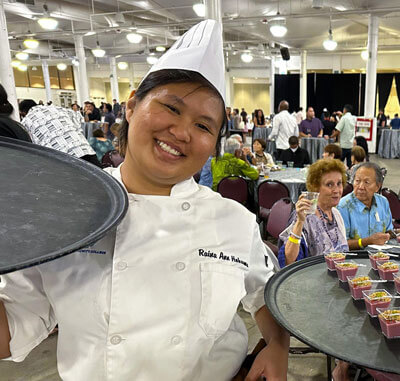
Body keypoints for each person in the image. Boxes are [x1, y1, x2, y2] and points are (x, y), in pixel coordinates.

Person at [0, 20, 289, 380]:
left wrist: (277, 345)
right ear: (132, 106)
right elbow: (14, 324)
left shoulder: (233, 220)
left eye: (203, 126)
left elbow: (265, 292)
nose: (182, 132)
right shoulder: (66, 209)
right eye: (170, 108)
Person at [277, 158, 348, 267]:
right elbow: (289, 261)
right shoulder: (305, 215)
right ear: (316, 187)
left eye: (339, 183)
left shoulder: (336, 214)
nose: (336, 190)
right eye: (329, 184)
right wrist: (300, 222)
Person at [20, 102, 101, 167]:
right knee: (103, 183)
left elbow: (32, 145)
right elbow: (78, 123)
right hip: (83, 149)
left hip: (61, 158)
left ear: (23, 112)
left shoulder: (26, 121)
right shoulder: (57, 108)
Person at [338, 162, 393, 250]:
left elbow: (388, 231)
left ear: (377, 187)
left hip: (381, 255)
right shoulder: (343, 206)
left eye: (366, 182)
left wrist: (398, 233)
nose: (361, 187)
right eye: (357, 181)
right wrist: (368, 241)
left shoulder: (383, 202)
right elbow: (341, 244)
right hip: (355, 258)